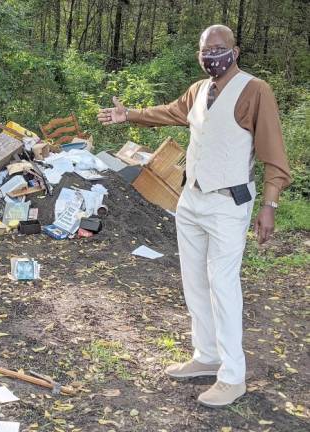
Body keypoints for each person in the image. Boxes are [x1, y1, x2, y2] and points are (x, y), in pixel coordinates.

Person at [97, 24, 291, 407]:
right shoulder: (199, 90)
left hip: (228, 205)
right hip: (192, 199)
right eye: (205, 50)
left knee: (222, 285)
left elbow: (275, 156)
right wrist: (129, 115)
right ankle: (207, 355)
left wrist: (269, 206)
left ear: (235, 51)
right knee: (195, 282)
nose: (210, 56)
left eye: (218, 48)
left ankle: (233, 376)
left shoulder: (255, 91)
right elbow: (171, 112)